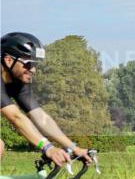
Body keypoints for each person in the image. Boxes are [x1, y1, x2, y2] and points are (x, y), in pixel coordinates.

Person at [1, 32, 93, 166]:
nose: (33, 70)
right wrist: (47, 147)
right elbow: (16, 117)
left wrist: (74, 148)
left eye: (35, 64)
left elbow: (41, 117)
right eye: (28, 64)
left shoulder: (17, 82)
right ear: (8, 60)